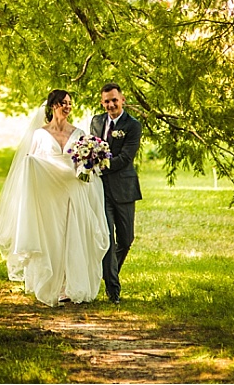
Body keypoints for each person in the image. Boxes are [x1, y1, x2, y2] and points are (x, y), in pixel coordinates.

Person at [0, 89, 110, 305]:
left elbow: (86, 164)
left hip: (73, 191)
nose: (67, 107)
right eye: (63, 103)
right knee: (53, 237)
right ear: (53, 105)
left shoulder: (80, 133)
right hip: (50, 195)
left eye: (70, 103)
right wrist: (31, 164)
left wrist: (89, 163)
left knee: (72, 235)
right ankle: (50, 281)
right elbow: (32, 161)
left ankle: (68, 285)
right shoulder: (40, 134)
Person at [90, 82, 141, 303]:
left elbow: (126, 157)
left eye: (114, 100)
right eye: (107, 101)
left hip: (125, 189)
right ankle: (113, 289)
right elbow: (91, 147)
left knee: (126, 239)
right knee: (108, 239)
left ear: (122, 100)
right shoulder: (97, 121)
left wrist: (103, 165)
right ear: (102, 102)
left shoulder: (133, 125)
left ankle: (108, 272)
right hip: (101, 190)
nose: (111, 104)